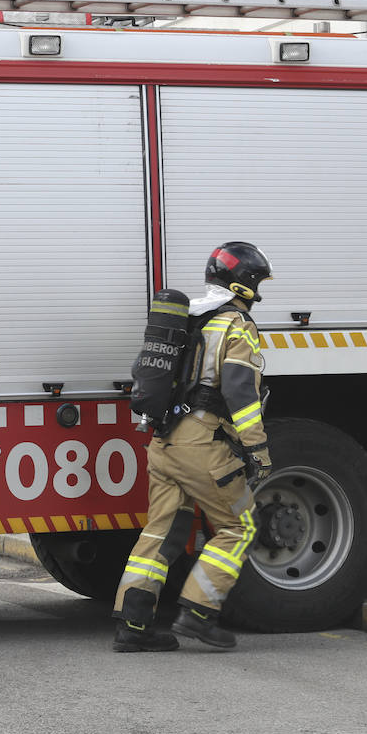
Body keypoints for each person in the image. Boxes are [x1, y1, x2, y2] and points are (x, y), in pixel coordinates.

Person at [112, 241, 274, 652]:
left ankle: (133, 624)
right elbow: (240, 392)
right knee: (241, 526)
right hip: (200, 443)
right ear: (245, 285)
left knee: (161, 531)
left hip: (163, 441)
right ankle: (198, 613)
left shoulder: (188, 317)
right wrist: (258, 451)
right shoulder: (236, 325)